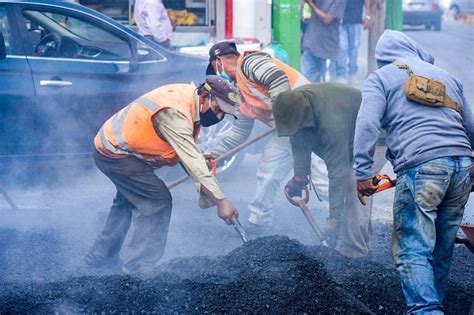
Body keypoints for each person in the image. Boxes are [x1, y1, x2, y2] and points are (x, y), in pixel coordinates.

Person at [354, 30, 474, 313]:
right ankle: (435, 306)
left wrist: (361, 173)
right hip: (462, 165)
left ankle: (426, 310)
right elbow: (471, 128)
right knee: (441, 249)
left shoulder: (381, 77)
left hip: (423, 168)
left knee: (412, 249)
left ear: (382, 58)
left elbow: (368, 125)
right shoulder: (447, 76)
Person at [85, 75, 241, 276]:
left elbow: (188, 153)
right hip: (115, 153)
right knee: (157, 200)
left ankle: (100, 254)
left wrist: (200, 161)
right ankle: (139, 267)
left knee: (130, 199)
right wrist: (221, 201)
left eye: (223, 114)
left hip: (124, 150)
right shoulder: (174, 112)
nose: (219, 117)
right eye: (218, 110)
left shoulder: (189, 101)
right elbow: (190, 159)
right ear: (205, 97)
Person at [205, 41, 328, 229]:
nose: (216, 73)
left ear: (218, 62)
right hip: (287, 131)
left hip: (309, 122)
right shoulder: (238, 89)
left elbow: (277, 79)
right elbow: (239, 132)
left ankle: (342, 224)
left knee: (321, 177)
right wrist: (214, 154)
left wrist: (283, 114)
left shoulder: (250, 62)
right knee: (267, 171)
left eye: (214, 68)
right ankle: (259, 223)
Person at [272, 82, 383, 254]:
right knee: (350, 185)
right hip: (351, 134)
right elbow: (298, 140)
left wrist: (334, 220)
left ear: (305, 116)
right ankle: (361, 241)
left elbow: (337, 172)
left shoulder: (331, 121)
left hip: (375, 136)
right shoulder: (294, 103)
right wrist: (300, 177)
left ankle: (354, 252)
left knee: (355, 184)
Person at [301, 0, 347, 82]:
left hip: (327, 49)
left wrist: (311, 4)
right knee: (307, 84)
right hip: (311, 45)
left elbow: (327, 19)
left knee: (328, 87)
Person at [330, 0, 371, 84]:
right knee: (342, 48)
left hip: (356, 20)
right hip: (340, 20)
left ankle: (352, 74)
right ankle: (341, 75)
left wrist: (367, 16)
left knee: (354, 49)